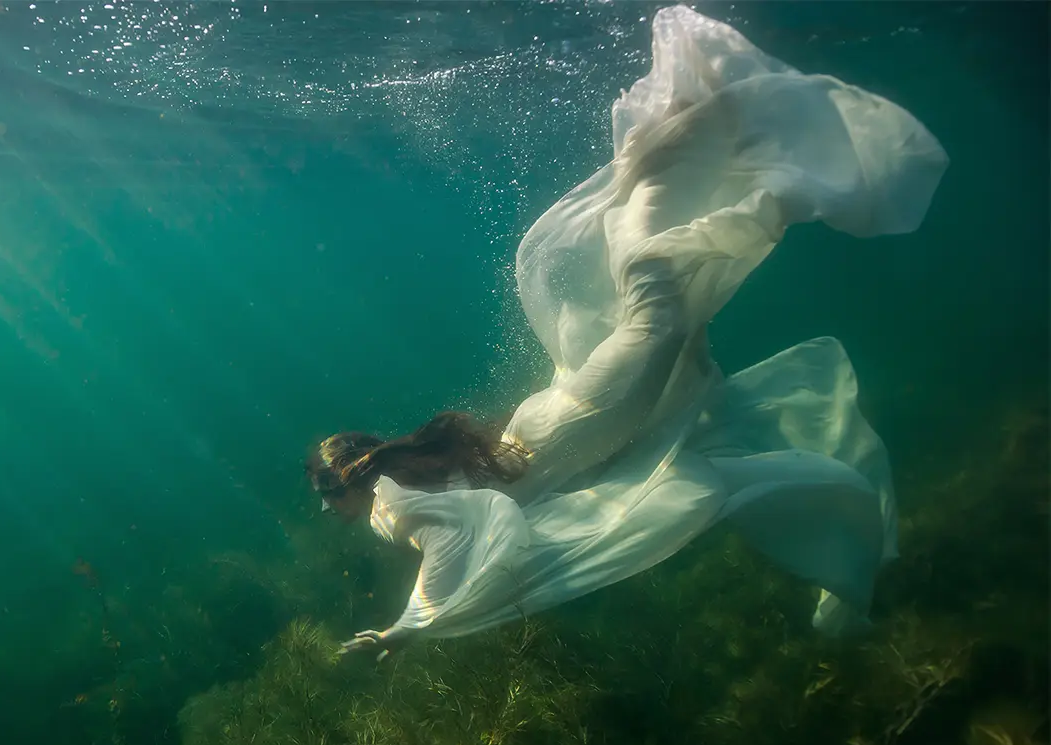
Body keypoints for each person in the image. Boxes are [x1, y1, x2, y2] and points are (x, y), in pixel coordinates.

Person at [304, 5, 948, 663]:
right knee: (653, 287)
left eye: (327, 494)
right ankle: (695, 124)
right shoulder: (408, 473)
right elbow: (481, 516)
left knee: (650, 283)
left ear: (350, 478)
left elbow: (468, 531)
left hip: (589, 413)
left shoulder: (389, 508)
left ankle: (719, 126)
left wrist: (406, 628)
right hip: (567, 416)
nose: (330, 512)